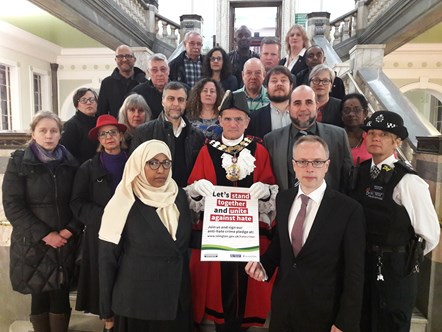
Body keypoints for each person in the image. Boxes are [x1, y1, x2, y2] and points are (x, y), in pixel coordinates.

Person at [246, 135, 366, 332]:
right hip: (283, 310)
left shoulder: (349, 210)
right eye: (302, 162)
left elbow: (355, 273)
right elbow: (280, 245)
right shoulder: (283, 200)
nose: (309, 168)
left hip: (323, 315)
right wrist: (264, 266)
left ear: (327, 165)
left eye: (317, 162)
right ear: (294, 165)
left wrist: (346, 321)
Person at [185, 90, 278, 332]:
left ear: (247, 122)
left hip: (250, 237)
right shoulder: (207, 151)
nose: (233, 124)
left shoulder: (260, 151)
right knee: (220, 290)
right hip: (218, 235)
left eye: (239, 119)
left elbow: (271, 196)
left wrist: (267, 190)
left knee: (246, 289)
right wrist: (195, 188)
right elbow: (192, 199)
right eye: (227, 118)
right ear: (219, 120)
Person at [349, 110, 440, 332]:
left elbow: (430, 234)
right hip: (363, 263)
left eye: (384, 134)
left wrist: (401, 262)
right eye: (371, 133)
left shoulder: (408, 181)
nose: (376, 138)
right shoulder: (360, 172)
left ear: (397, 141)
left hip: (395, 269)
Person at [98, 140, 193, 332]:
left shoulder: (178, 195)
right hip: (137, 305)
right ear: (139, 165)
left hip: (175, 301)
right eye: (153, 163)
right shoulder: (123, 202)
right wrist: (106, 311)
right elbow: (107, 260)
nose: (161, 170)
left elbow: (181, 243)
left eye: (166, 163)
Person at [3, 111, 81, 332]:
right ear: (33, 133)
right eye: (43, 130)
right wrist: (45, 235)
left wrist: (69, 230)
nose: (49, 135)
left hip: (65, 242)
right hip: (33, 243)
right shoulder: (19, 161)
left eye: (54, 130)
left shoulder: (70, 163)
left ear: (60, 134)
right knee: (38, 294)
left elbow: (79, 200)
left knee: (60, 294)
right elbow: (13, 205)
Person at [70, 114, 128, 332]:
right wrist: (105, 215)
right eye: (104, 134)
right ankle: (108, 322)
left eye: (113, 132)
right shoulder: (88, 167)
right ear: (99, 140)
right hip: (100, 234)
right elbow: (77, 203)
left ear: (121, 135)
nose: (109, 137)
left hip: (131, 232)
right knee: (104, 279)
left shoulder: (134, 163)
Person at [264, 85, 353, 192]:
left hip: (328, 206)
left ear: (317, 106)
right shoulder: (271, 140)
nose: (303, 108)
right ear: (289, 107)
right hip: (286, 206)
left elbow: (347, 180)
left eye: (309, 102)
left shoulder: (339, 136)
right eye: (297, 103)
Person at [130, 81, 205, 187]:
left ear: (186, 103)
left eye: (180, 100)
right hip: (155, 197)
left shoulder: (197, 136)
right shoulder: (144, 132)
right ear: (162, 101)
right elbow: (134, 171)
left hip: (186, 197)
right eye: (171, 99)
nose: (175, 104)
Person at [97, 45, 147, 117]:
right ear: (115, 60)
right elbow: (101, 113)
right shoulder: (107, 84)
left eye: (128, 56)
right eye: (120, 56)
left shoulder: (144, 83)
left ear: (134, 59)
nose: (124, 59)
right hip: (116, 127)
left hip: (140, 127)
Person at [247, 65, 294, 139]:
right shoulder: (254, 119)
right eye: (274, 81)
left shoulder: (300, 115)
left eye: (283, 80)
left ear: (291, 86)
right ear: (267, 88)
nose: (279, 84)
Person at [61, 87, 97, 164]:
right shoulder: (71, 125)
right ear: (76, 105)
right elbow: (67, 155)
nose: (88, 103)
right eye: (83, 100)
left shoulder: (99, 123)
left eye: (92, 99)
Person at [131, 53, 169, 119]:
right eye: (154, 70)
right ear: (148, 72)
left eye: (163, 69)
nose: (159, 74)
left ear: (168, 70)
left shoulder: (181, 90)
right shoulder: (138, 93)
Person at [340, 93, 371, 165]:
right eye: (347, 110)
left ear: (365, 113)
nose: (351, 114)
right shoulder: (335, 137)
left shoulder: (373, 138)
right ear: (341, 115)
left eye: (357, 110)